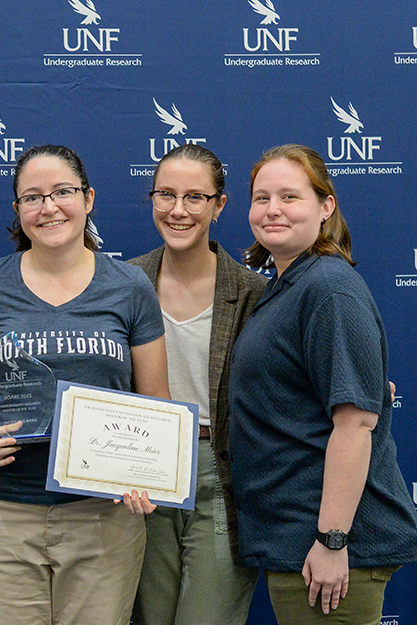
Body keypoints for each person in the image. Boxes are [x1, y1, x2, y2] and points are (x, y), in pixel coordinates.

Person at [0, 144, 169, 625]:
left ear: (88, 199)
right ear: (17, 210)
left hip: (103, 517)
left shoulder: (130, 287)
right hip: (0, 509)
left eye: (62, 192)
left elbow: (156, 403)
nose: (48, 207)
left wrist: (145, 473)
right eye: (32, 197)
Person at [229, 144, 417, 624]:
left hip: (330, 549)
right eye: (261, 197)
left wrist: (333, 541)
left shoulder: (328, 288)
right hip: (295, 539)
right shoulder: (287, 287)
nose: (272, 209)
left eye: (290, 196)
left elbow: (354, 426)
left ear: (325, 206)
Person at [128, 144, 266, 625]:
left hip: (222, 472)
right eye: (166, 195)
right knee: (149, 615)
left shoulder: (255, 292)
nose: (178, 210)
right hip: (139, 471)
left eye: (195, 197)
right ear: (151, 199)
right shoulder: (123, 283)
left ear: (219, 204)